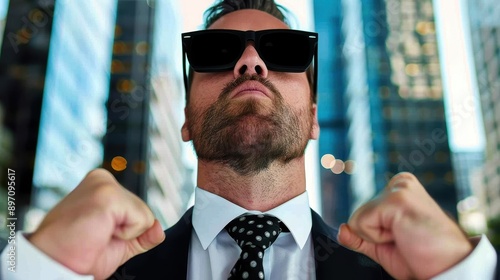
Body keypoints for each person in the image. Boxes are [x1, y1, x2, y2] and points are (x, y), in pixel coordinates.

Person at [1, 0, 498, 279]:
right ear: (186, 121)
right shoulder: (98, 272)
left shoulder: (400, 274)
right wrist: (32, 267)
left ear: (315, 118)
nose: (251, 63)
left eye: (283, 52)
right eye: (216, 53)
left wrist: (466, 273)